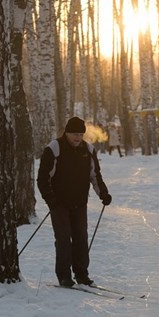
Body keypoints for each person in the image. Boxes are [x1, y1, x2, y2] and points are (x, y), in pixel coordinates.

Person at [37, 116, 112, 287]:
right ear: (67, 132)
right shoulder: (54, 148)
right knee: (63, 239)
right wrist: (50, 199)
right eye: (74, 134)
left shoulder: (88, 150)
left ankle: (81, 274)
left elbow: (95, 176)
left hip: (79, 202)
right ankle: (64, 276)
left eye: (80, 134)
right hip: (59, 204)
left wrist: (103, 194)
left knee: (80, 238)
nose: (78, 138)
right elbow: (43, 178)